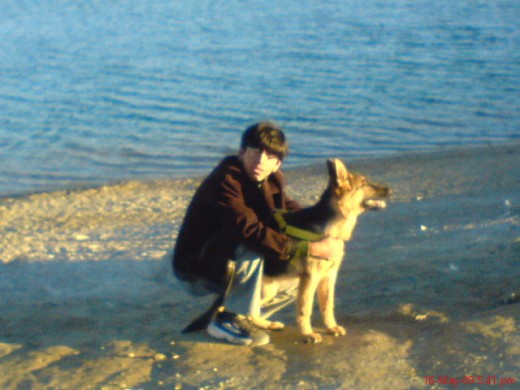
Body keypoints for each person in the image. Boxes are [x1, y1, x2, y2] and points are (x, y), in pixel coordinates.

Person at [172, 121, 342, 346]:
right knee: (254, 246)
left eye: (270, 156)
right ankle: (227, 320)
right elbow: (250, 232)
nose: (261, 161)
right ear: (242, 151)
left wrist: (321, 234)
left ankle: (249, 314)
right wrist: (311, 247)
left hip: (226, 257)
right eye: (255, 151)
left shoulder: (271, 180)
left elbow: (288, 213)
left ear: (277, 163)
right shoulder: (226, 182)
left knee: (299, 271)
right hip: (197, 266)